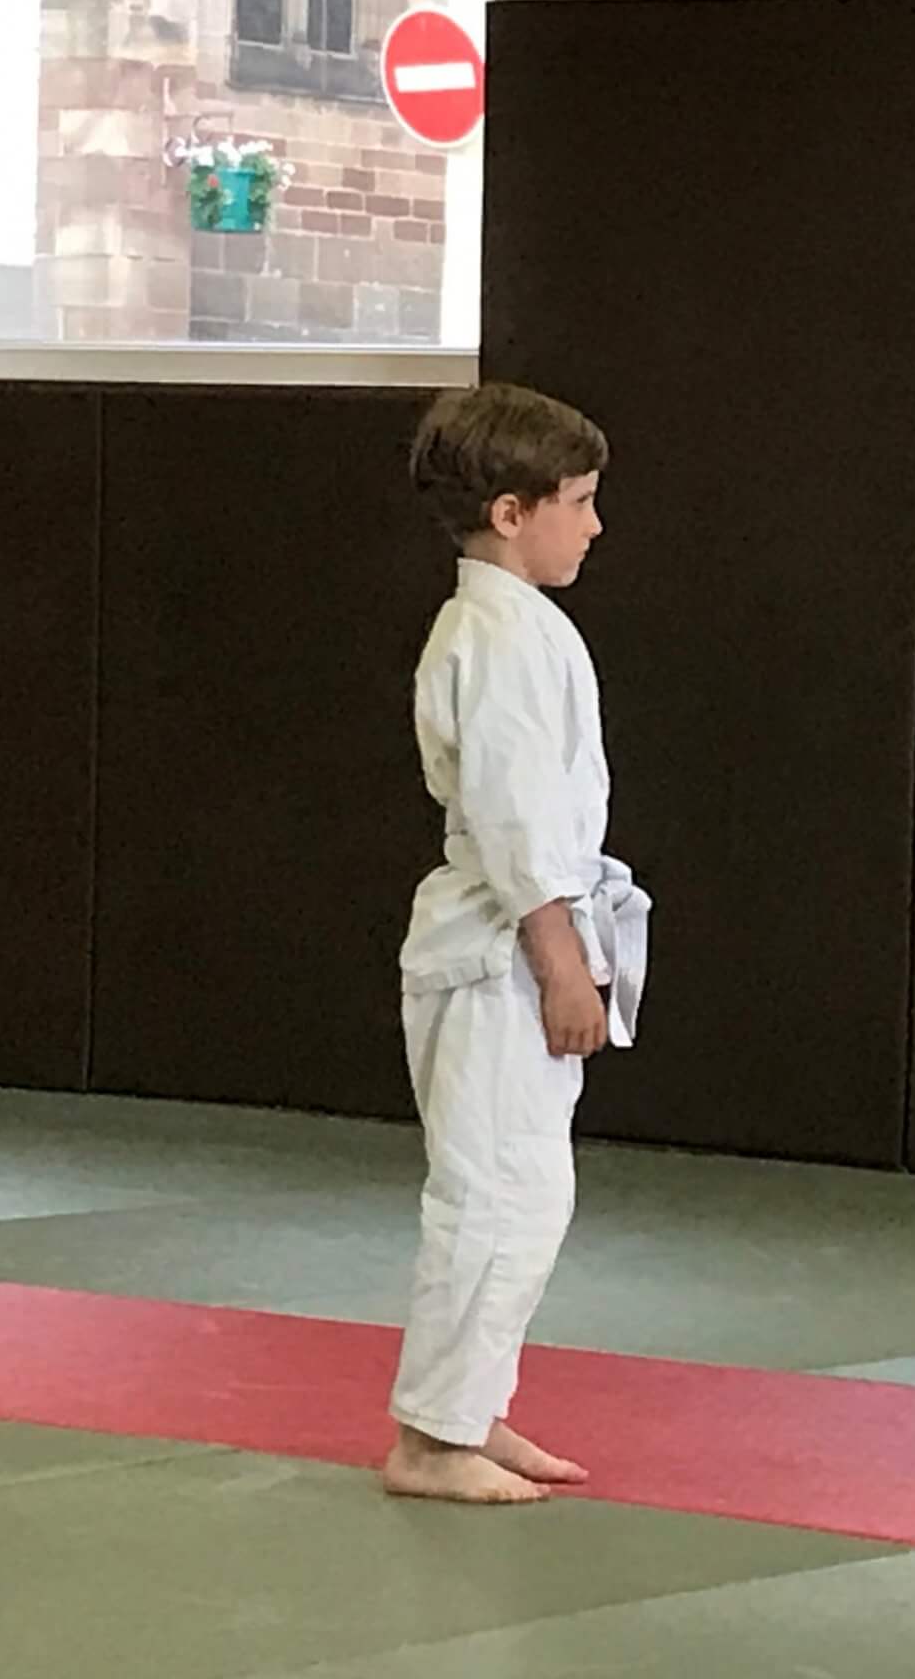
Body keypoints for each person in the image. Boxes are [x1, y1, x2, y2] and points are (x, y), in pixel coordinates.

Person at [381, 381, 651, 1505]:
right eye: (578, 502)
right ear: (508, 511)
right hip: (500, 944)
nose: (592, 524)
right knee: (493, 1191)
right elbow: (510, 813)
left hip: (518, 931)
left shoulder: (520, 625)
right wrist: (561, 956)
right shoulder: (491, 634)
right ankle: (429, 1442)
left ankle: (470, 1410)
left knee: (525, 1191)